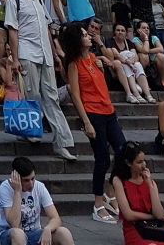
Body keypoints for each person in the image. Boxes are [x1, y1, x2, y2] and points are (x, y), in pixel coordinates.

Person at [4, 0, 77, 161]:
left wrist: (54, 54)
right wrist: (16, 59)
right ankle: (31, 130)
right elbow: (13, 31)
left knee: (51, 96)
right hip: (27, 53)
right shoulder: (14, 1)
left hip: (44, 54)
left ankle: (62, 142)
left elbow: (46, 28)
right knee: (32, 94)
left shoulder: (38, 0)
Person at [60, 21, 126, 223]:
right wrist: (86, 122)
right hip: (93, 113)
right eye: (84, 34)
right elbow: (76, 95)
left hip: (108, 110)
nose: (88, 35)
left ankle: (110, 191)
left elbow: (102, 85)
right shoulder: (73, 64)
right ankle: (98, 203)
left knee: (123, 151)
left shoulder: (93, 58)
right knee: (102, 159)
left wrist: (102, 66)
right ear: (77, 40)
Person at [0, 156, 75, 245]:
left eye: (32, 179)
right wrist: (17, 192)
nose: (31, 184)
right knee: (18, 234)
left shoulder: (39, 186)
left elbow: (56, 218)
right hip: (10, 234)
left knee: (63, 232)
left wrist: (48, 229)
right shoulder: (5, 188)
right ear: (16, 178)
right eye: (26, 180)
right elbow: (14, 224)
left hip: (34, 233)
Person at [111, 142, 164, 245]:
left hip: (153, 226)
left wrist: (151, 186)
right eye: (139, 162)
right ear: (129, 163)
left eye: (144, 161)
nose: (144, 165)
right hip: (134, 227)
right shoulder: (119, 181)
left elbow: (159, 213)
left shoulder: (148, 181)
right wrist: (153, 217)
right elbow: (128, 215)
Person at [109, 23, 154, 103]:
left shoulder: (129, 42)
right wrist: (129, 63)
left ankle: (148, 95)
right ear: (114, 32)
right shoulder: (111, 42)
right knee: (126, 66)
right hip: (119, 66)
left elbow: (135, 56)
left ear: (126, 33)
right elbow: (117, 55)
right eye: (118, 30)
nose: (120, 32)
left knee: (138, 64)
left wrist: (132, 62)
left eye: (122, 31)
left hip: (131, 64)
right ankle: (136, 94)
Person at [131, 21, 164, 90]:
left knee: (161, 56)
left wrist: (148, 51)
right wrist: (146, 38)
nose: (146, 30)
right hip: (141, 60)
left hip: (152, 58)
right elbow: (144, 51)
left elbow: (161, 49)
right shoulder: (135, 39)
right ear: (138, 30)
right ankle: (144, 81)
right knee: (143, 55)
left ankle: (163, 81)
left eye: (147, 28)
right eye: (143, 28)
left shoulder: (154, 37)